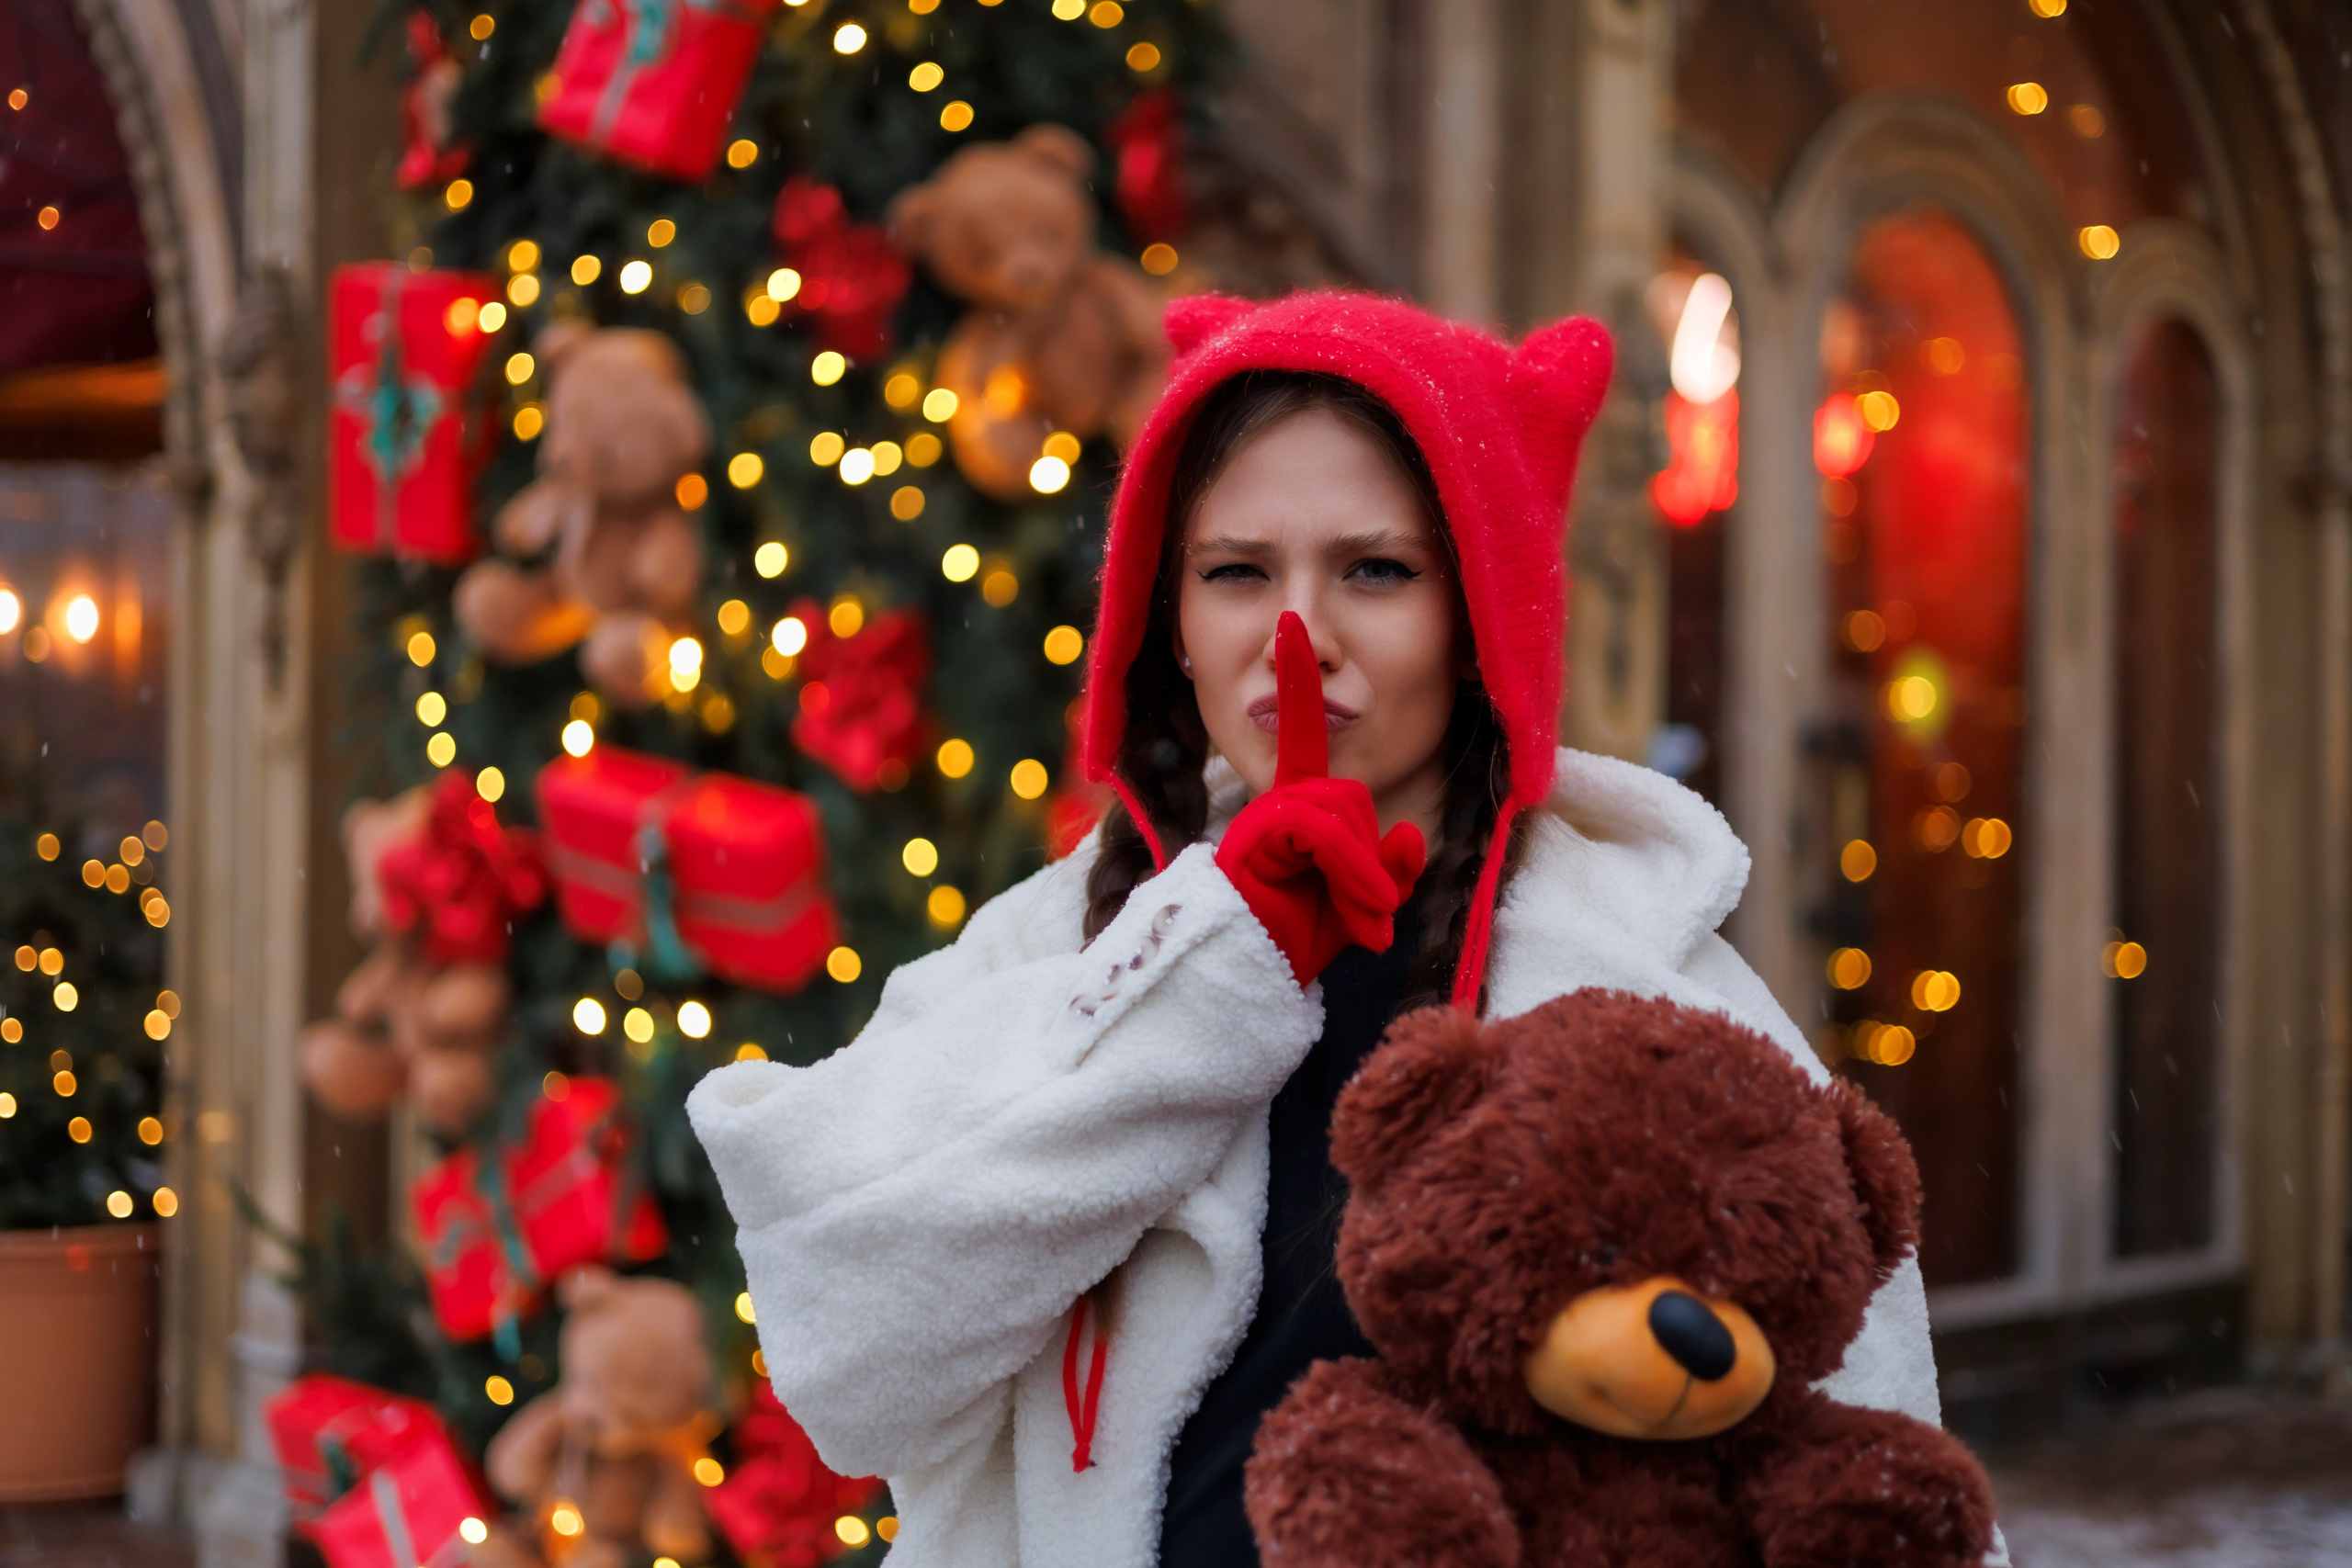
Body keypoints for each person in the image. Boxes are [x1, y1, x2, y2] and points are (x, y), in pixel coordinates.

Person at [689, 291, 1961, 1568]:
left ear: (1477, 623)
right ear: (1168, 627)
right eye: (1236, 572)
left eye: (1378, 571)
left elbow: (1862, 1477)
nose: (1300, 636)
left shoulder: (1654, 998)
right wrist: (1196, 981)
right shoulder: (1046, 952)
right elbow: (848, 1368)